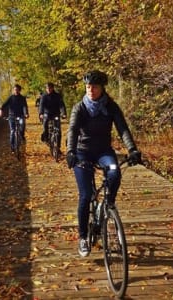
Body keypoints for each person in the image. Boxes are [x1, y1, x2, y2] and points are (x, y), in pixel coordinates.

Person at [66, 70, 142, 257]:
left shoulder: (111, 106)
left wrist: (132, 149)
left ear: (102, 88)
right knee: (85, 195)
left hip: (103, 152)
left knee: (115, 172)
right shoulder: (79, 108)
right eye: (88, 86)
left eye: (95, 87)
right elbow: (73, 130)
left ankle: (108, 205)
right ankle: (83, 237)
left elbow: (123, 129)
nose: (91, 90)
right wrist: (70, 151)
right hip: (82, 153)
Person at [0, 84, 29, 152]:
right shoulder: (11, 98)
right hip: (11, 116)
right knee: (12, 131)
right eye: (15, 90)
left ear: (19, 90)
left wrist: (26, 113)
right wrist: (1, 110)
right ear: (13, 90)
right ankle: (12, 147)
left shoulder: (22, 98)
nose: (16, 91)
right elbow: (4, 104)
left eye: (17, 90)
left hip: (20, 116)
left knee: (22, 125)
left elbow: (25, 106)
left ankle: (21, 136)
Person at [39, 82, 67, 147]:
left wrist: (63, 113)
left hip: (55, 114)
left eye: (50, 88)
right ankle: (46, 138)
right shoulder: (44, 96)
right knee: (45, 124)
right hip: (47, 114)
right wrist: (41, 113)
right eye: (47, 88)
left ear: (52, 88)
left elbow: (61, 105)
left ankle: (58, 146)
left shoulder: (57, 96)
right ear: (46, 89)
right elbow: (41, 105)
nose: (48, 89)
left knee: (58, 130)